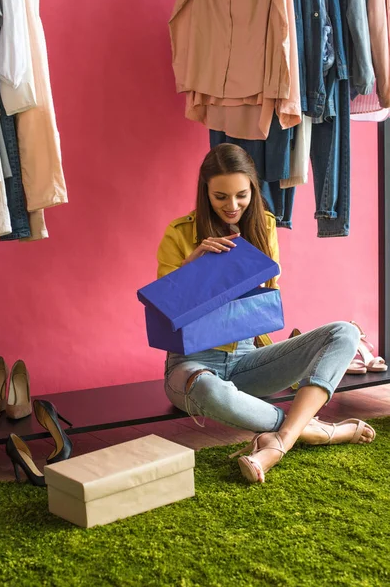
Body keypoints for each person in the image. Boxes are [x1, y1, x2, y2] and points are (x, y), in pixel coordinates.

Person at [157, 144, 375, 484]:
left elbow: (262, 303)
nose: (232, 206)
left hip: (248, 360)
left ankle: (281, 441)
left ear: (253, 190)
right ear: (205, 192)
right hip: (191, 366)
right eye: (220, 197)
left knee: (345, 333)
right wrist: (191, 267)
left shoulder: (264, 226)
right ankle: (314, 429)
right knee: (210, 391)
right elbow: (164, 311)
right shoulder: (179, 233)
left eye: (241, 195)